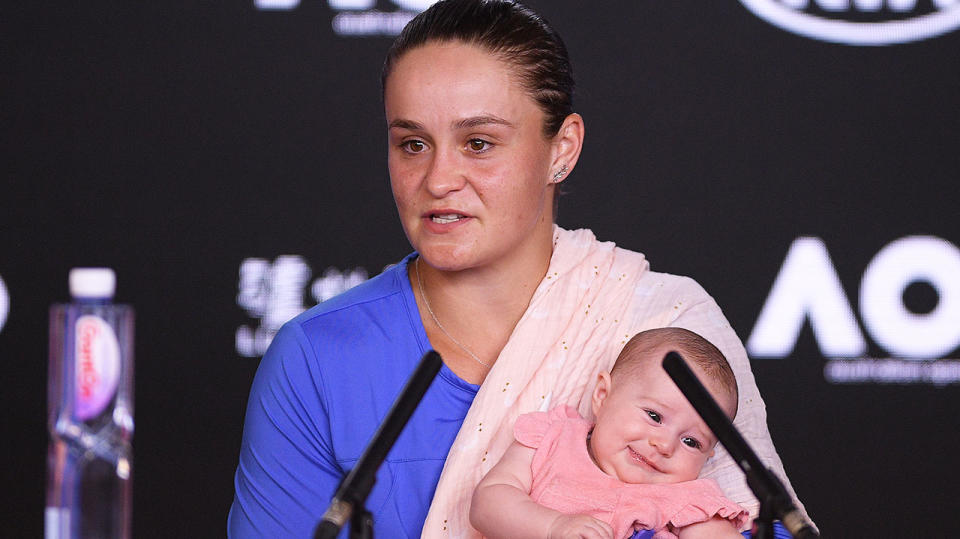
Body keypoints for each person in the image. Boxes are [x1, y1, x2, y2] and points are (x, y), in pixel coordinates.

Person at [228, 1, 811, 537]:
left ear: (563, 149)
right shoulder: (317, 358)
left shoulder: (666, 326)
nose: (438, 180)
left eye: (479, 143)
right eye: (412, 144)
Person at [470, 328, 748, 539]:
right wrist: (552, 526)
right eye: (654, 416)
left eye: (691, 441)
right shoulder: (554, 438)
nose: (664, 445)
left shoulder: (688, 499)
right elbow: (488, 503)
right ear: (603, 395)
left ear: (710, 454)